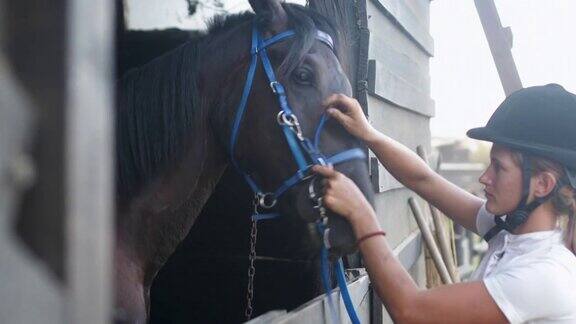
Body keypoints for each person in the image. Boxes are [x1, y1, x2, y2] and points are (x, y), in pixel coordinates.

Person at [313, 84, 576, 323]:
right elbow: (424, 180)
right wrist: (369, 134)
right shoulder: (509, 234)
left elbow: (410, 310)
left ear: (543, 184)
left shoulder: (546, 274)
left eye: (499, 167)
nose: (485, 177)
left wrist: (360, 213)